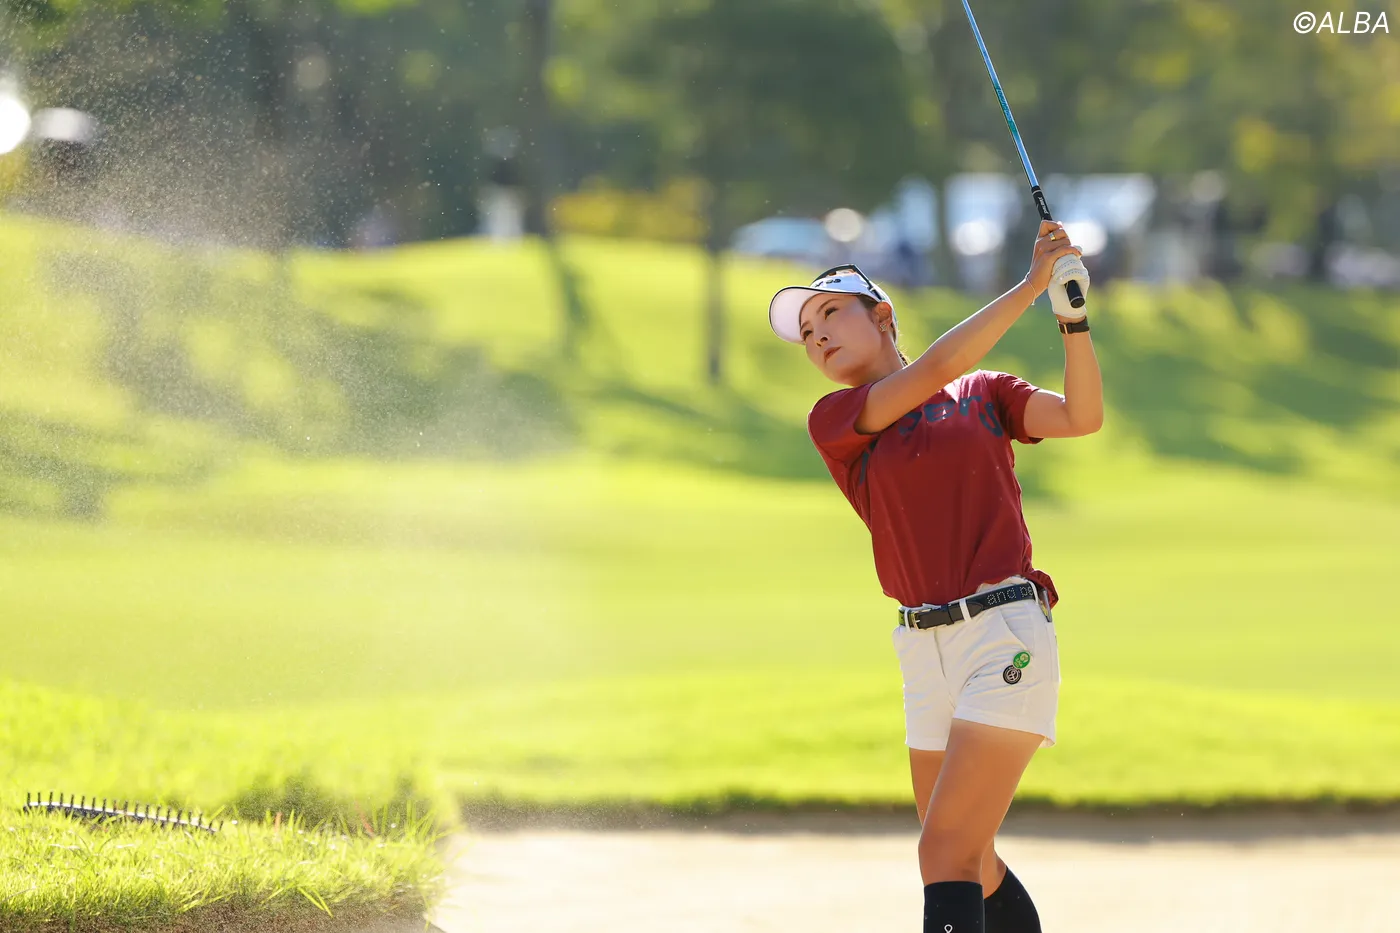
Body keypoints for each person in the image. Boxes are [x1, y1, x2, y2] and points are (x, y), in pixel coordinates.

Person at [767, 221, 1102, 933]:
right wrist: (1029, 284)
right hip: (922, 650)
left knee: (944, 851)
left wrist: (1072, 321)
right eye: (806, 334)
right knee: (969, 858)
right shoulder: (836, 419)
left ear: (882, 316)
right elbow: (935, 367)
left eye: (830, 313)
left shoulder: (985, 393)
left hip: (1002, 632)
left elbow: (1082, 415)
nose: (817, 337)